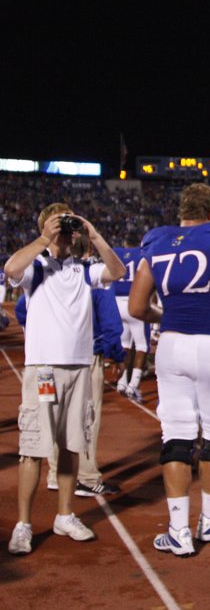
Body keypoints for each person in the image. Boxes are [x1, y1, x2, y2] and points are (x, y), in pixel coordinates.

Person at [128, 183, 210, 557]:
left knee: (176, 436)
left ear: (181, 213)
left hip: (171, 347)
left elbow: (138, 307)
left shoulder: (157, 245)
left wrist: (166, 317)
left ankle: (177, 530)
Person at [5, 204, 125, 555]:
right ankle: (23, 525)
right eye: (64, 225)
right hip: (43, 369)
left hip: (79, 367)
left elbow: (117, 272)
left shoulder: (84, 269)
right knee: (33, 449)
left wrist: (94, 234)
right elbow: (11, 268)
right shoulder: (37, 267)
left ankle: (65, 515)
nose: (67, 231)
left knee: (72, 445)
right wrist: (45, 237)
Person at [47, 233, 126, 497]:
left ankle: (55, 472)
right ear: (89, 247)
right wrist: (116, 354)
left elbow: (23, 308)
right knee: (87, 417)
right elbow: (110, 321)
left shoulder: (48, 273)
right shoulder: (93, 275)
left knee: (54, 415)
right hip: (86, 355)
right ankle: (87, 476)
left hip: (49, 355)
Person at [113, 232, 151, 404]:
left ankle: (122, 379)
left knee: (125, 344)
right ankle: (133, 384)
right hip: (134, 302)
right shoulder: (142, 254)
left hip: (116, 303)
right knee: (142, 345)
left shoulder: (116, 252)